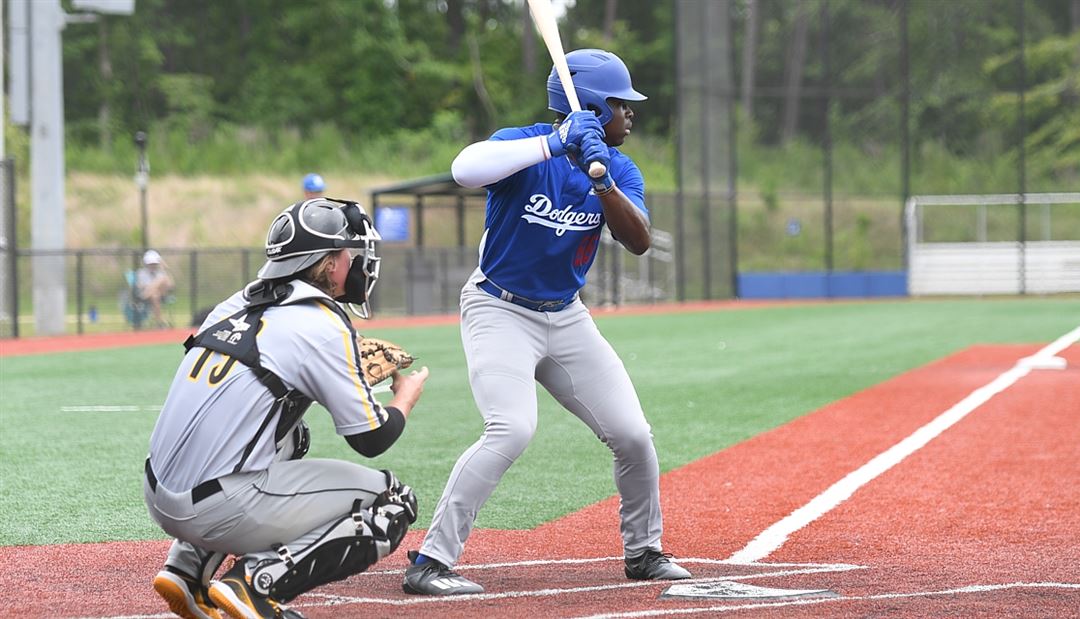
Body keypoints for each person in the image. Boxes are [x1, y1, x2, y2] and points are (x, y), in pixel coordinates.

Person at [402, 48, 691, 596]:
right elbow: (464, 169)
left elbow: (638, 242)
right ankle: (430, 561)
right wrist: (555, 144)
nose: (631, 114)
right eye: (621, 105)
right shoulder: (526, 143)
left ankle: (644, 552)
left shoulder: (618, 165)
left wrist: (600, 179)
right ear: (590, 106)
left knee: (633, 435)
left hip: (566, 316)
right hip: (498, 308)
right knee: (510, 428)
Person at [144, 198, 430, 619]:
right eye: (348, 254)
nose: (355, 263)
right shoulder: (322, 323)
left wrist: (336, 369)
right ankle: (257, 583)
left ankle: (186, 569)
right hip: (218, 507)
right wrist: (404, 399)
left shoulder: (235, 304)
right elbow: (371, 439)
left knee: (294, 435)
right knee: (393, 502)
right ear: (330, 264)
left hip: (159, 490)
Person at [136, 249, 175, 328]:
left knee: (162, 279)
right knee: (155, 295)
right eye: (151, 264)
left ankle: (146, 294)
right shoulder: (141, 273)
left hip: (161, 294)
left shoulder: (161, 272)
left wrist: (165, 269)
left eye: (154, 264)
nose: (153, 266)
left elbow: (171, 285)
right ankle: (160, 321)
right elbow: (140, 285)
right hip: (151, 296)